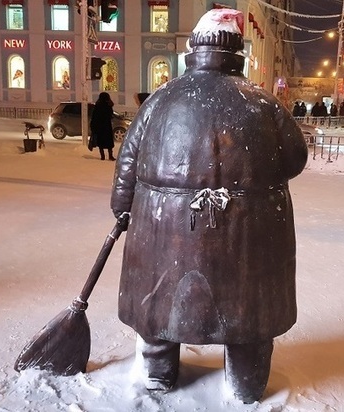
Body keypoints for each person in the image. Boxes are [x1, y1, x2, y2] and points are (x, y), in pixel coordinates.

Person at [110, 8, 308, 404]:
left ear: (193, 50)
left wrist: (122, 207)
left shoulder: (160, 100)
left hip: (163, 229)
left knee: (159, 313)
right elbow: (295, 159)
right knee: (249, 319)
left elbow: (127, 164)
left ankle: (159, 374)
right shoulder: (264, 105)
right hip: (250, 236)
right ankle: (246, 384)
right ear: (238, 51)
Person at [90, 92, 115, 161]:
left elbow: (94, 116)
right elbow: (111, 115)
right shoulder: (109, 105)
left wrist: (93, 126)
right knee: (109, 142)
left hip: (99, 126)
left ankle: (102, 156)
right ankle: (110, 156)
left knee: (101, 142)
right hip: (107, 126)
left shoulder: (98, 106)